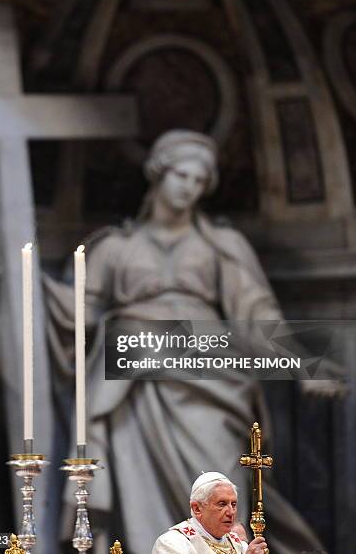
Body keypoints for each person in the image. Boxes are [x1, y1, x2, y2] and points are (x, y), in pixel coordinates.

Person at [53, 129, 325, 553]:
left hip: (209, 374)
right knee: (134, 481)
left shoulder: (221, 245)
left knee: (218, 473)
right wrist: (13, 294)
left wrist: (305, 365)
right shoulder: (113, 248)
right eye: (182, 175)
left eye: (200, 181)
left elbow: (256, 314)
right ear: (158, 174)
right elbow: (75, 315)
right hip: (134, 379)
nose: (189, 188)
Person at [152, 471, 266, 554]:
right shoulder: (172, 543)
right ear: (197, 508)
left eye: (233, 504)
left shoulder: (239, 545)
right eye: (222, 504)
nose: (231, 512)